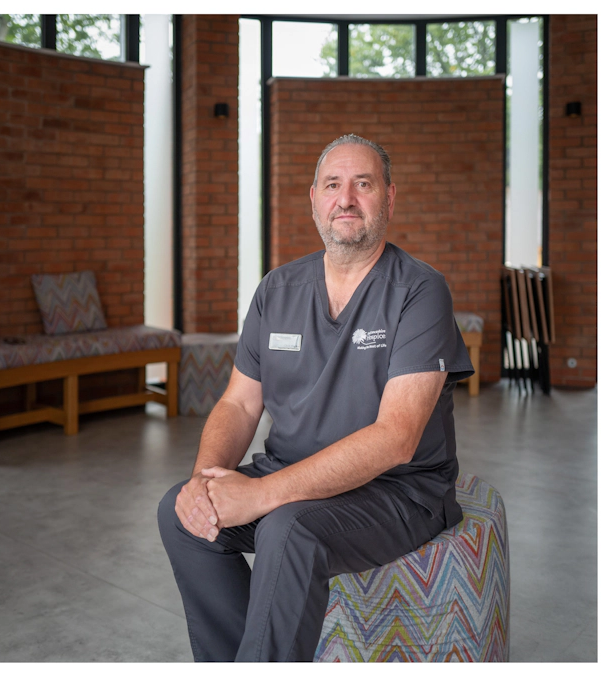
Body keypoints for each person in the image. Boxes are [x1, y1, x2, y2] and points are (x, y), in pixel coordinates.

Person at [157, 134, 474, 661]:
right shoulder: (277, 290)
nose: (345, 199)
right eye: (333, 185)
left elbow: (397, 439)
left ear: (389, 198)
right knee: (180, 514)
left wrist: (260, 495)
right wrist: (204, 479)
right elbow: (238, 404)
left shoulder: (419, 291)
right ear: (314, 199)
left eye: (363, 185)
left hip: (398, 491)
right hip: (295, 471)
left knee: (289, 527)